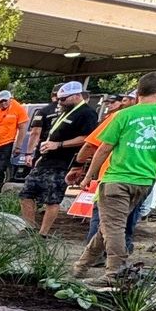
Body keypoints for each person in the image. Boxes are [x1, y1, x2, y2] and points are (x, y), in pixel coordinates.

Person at [69, 71, 156, 284]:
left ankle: (115, 273)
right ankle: (82, 266)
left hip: (116, 179)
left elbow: (103, 148)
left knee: (113, 227)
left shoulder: (123, 114)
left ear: (138, 91)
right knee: (109, 225)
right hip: (144, 180)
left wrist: (89, 175)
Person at [20, 82, 97, 235]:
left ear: (76, 96)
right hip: (46, 160)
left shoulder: (87, 113)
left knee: (52, 199)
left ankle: (43, 233)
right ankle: (30, 228)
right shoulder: (66, 111)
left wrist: (59, 145)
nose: (59, 102)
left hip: (64, 162)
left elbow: (87, 138)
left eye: (63, 99)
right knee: (26, 194)